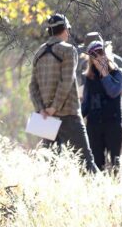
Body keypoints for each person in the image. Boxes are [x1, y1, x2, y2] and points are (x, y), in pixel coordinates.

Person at [28, 14, 97, 172]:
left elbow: (32, 86)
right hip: (68, 114)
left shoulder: (38, 52)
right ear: (65, 29)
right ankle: (101, 194)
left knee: (50, 166)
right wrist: (54, 107)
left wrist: (41, 109)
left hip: (45, 118)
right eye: (69, 30)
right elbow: (66, 82)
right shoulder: (68, 50)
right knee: (86, 162)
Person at [80, 37, 122, 172]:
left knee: (115, 163)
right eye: (94, 55)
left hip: (113, 124)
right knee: (97, 163)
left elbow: (113, 92)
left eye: (101, 53)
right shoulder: (89, 78)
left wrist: (105, 73)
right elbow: (86, 104)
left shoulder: (117, 74)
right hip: (94, 126)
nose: (98, 57)